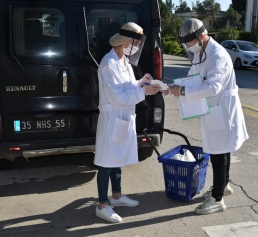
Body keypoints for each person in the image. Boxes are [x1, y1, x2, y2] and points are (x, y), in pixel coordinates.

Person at [166, 18, 249, 215]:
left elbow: (213, 87)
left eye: (190, 43)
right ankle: (224, 185)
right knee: (221, 149)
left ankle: (217, 199)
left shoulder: (218, 55)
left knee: (219, 155)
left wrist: (183, 91)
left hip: (223, 110)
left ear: (201, 36)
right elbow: (192, 77)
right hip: (213, 110)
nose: (188, 47)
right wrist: (170, 89)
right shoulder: (201, 53)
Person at [94, 22, 161, 223]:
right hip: (112, 118)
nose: (137, 47)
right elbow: (117, 96)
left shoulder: (124, 62)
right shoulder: (108, 63)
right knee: (106, 162)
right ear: (124, 41)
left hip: (122, 118)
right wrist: (143, 91)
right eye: (134, 43)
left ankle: (116, 196)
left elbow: (127, 85)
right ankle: (102, 205)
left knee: (117, 159)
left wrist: (141, 83)